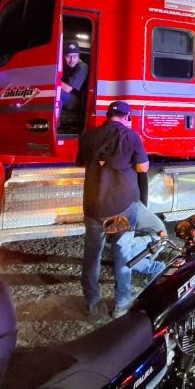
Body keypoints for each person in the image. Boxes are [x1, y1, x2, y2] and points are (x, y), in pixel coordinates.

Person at [76, 100, 166, 318]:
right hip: (121, 207)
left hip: (93, 207)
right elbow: (142, 167)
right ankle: (122, 304)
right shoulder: (130, 136)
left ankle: (92, 304)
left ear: (108, 115)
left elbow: (80, 162)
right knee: (122, 252)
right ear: (127, 117)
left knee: (92, 255)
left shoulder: (88, 136)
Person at [60, 41, 89, 114]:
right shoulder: (69, 66)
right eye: (68, 56)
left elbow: (67, 89)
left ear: (79, 55)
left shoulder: (82, 67)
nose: (72, 60)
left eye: (75, 56)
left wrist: (51, 80)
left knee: (53, 91)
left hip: (74, 102)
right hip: (69, 98)